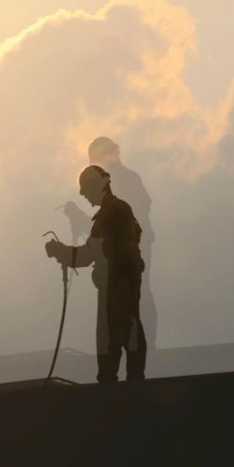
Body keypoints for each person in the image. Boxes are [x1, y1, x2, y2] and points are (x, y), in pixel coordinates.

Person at [45, 165, 147, 383]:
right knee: (126, 335)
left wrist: (59, 251)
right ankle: (133, 385)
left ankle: (116, 391)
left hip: (115, 286)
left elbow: (89, 254)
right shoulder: (114, 211)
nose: (85, 196)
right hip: (120, 284)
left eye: (86, 191)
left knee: (111, 341)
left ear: (97, 186)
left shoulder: (112, 213)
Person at [88, 137, 157, 348]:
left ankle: (142, 344)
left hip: (133, 244)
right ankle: (133, 344)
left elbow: (139, 208)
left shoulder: (123, 180)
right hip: (126, 244)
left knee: (137, 291)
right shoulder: (117, 180)